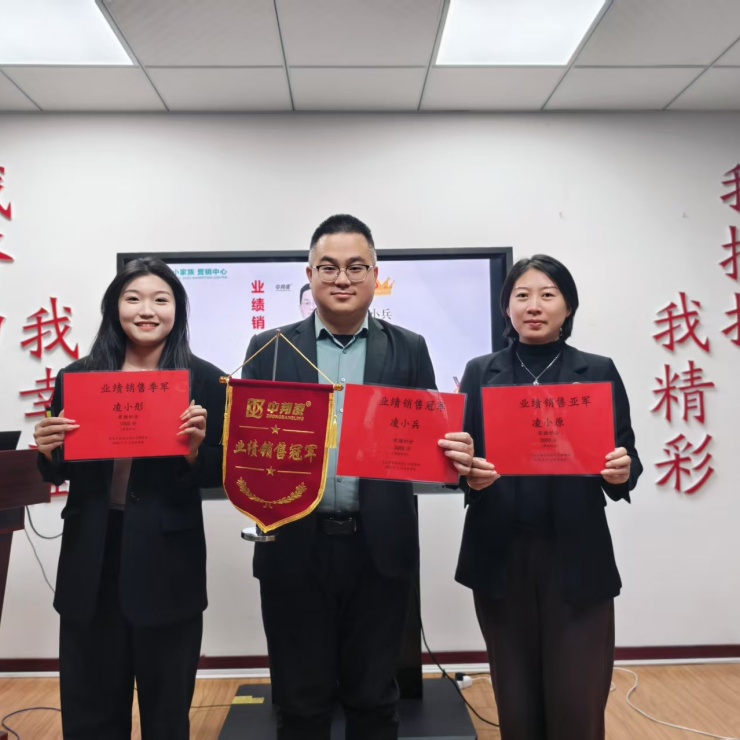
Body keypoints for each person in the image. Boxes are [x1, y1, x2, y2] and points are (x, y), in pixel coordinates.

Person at [242, 214, 474, 740]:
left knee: (373, 699)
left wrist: (452, 452)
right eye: (328, 267)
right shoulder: (269, 346)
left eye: (355, 267)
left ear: (375, 275)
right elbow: (248, 445)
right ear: (309, 275)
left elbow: (425, 441)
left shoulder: (408, 346)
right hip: (293, 548)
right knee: (300, 702)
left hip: (379, 550)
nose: (342, 278)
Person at [33, 257, 225, 740]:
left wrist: (193, 452)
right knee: (90, 715)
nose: (147, 310)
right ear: (114, 307)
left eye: (161, 300)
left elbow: (220, 471)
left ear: (177, 310)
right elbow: (57, 469)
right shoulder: (78, 377)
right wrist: (49, 451)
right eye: (133, 298)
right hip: (92, 558)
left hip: (168, 563)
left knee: (166, 718)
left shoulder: (205, 380)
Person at [455, 254, 642, 740]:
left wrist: (620, 471)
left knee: (576, 704)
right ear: (507, 308)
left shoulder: (596, 370)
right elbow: (459, 460)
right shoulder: (481, 371)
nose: (533, 306)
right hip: (501, 558)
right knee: (517, 704)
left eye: (547, 295)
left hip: (576, 557)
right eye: (521, 296)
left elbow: (627, 460)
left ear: (568, 307)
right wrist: (469, 476)